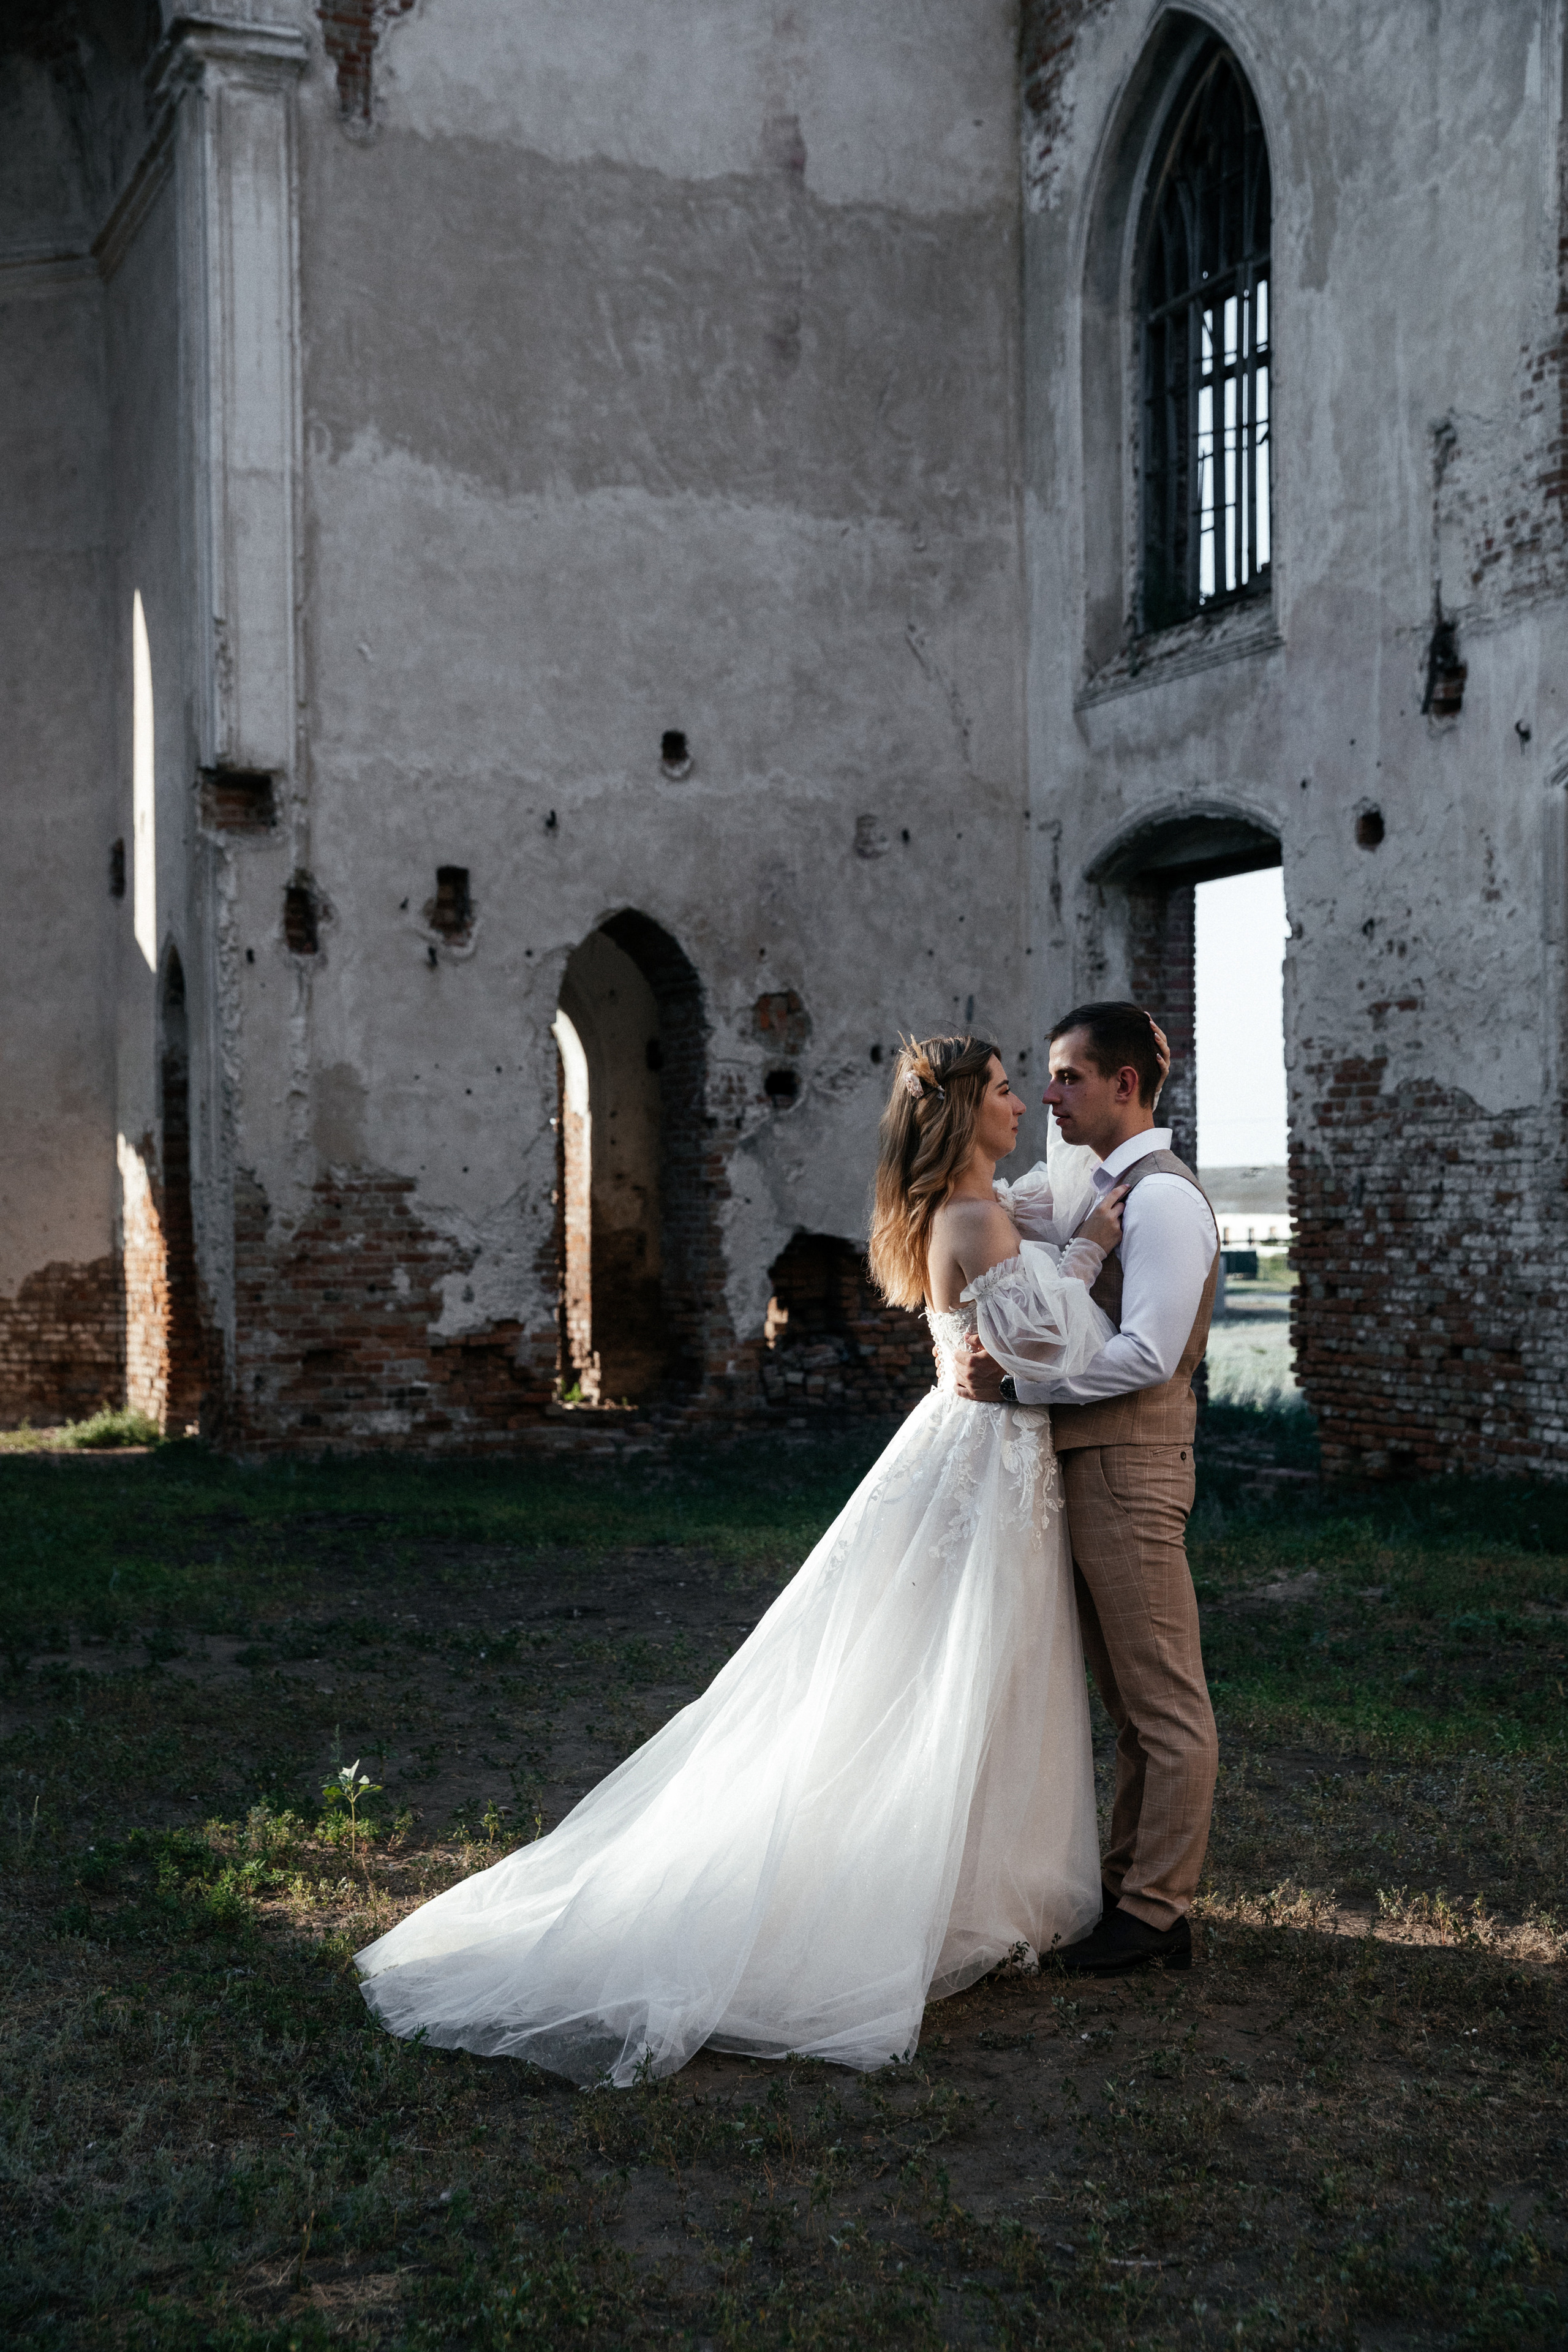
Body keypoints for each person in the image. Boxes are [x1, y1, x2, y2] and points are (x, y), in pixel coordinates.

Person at [356, 1034, 1125, 2085]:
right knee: (947, 1674)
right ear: (959, 1114)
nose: (1020, 1103)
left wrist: (1091, 1191)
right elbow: (1048, 1352)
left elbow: (1044, 1204)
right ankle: (909, 1901)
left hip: (973, 1455)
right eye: (1001, 1090)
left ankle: (970, 1890)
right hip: (986, 1462)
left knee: (961, 1674)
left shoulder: (981, 1204)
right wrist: (1086, 1258)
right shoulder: (978, 1217)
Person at [953, 1002, 1220, 1977]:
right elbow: (984, 1208)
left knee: (1166, 1704)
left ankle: (1157, 1919)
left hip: (1133, 1466)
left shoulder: (1161, 1200)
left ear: (1125, 1085)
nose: (1050, 1094)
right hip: (1088, 1465)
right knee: (1128, 1703)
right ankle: (1127, 1896)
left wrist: (1021, 1384)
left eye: (1068, 1077)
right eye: (1045, 1078)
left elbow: (1149, 1354)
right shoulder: (1088, 1185)